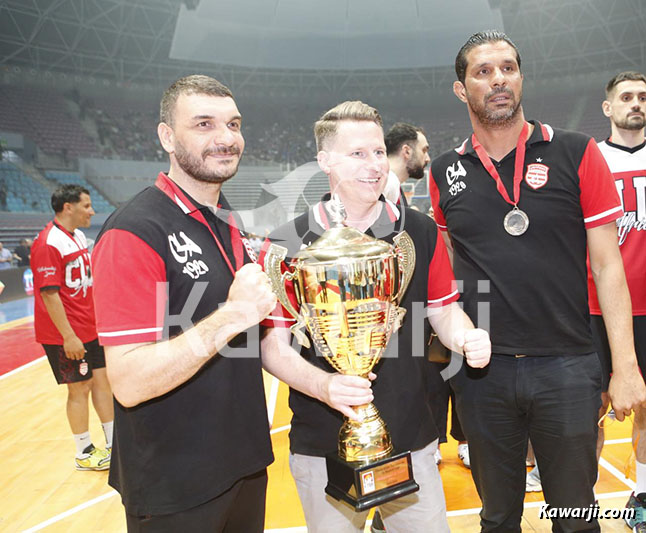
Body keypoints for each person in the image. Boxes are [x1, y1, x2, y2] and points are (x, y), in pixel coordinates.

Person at [428, 30, 646, 532]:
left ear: (521, 77)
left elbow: (608, 266)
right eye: (483, 71)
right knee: (498, 517)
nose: (498, 80)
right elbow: (445, 276)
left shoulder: (576, 151)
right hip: (482, 374)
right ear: (462, 89)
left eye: (508, 68)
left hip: (567, 364)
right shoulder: (444, 171)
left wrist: (626, 367)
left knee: (575, 517)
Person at [260, 100, 491, 533]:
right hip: (323, 442)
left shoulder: (418, 230)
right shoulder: (288, 242)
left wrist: (466, 336)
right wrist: (324, 386)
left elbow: (443, 309)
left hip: (411, 436)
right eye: (357, 154)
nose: (374, 165)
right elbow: (273, 346)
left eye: (379, 152)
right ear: (324, 160)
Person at [91, 75, 277, 532]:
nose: (226, 138)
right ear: (167, 137)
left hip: (243, 464)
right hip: (175, 485)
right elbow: (129, 381)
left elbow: (253, 341)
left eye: (233, 124)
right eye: (203, 124)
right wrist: (232, 315)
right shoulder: (133, 231)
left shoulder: (225, 219)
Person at [590, 71, 646, 530]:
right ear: (608, 107)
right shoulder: (590, 159)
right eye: (626, 97)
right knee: (589, 411)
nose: (636, 103)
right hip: (595, 308)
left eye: (643, 97)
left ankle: (642, 493)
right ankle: (580, 499)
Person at [31, 184, 114, 471]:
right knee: (80, 388)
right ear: (68, 207)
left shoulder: (77, 236)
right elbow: (49, 295)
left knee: (103, 382)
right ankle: (84, 452)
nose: (92, 211)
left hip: (90, 326)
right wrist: (69, 336)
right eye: (86, 206)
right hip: (66, 334)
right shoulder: (48, 243)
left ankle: (114, 443)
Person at [383, 122, 430, 206]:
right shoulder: (387, 184)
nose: (428, 159)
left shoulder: (390, 184)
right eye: (424, 151)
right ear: (407, 151)